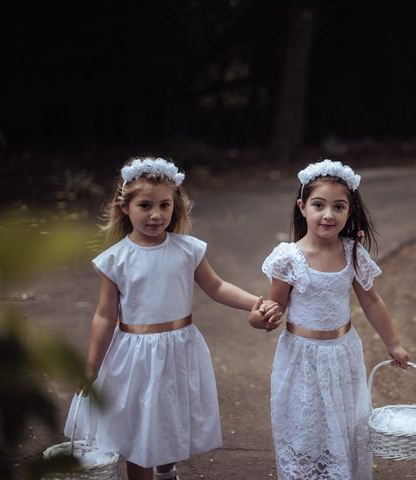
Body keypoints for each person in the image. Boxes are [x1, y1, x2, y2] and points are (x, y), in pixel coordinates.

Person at [66, 158, 280, 480]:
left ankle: (167, 470)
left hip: (178, 350)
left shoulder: (187, 250)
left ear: (175, 206)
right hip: (135, 357)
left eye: (164, 205)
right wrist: (91, 367)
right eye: (145, 205)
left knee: (168, 416)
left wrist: (258, 302)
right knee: (139, 427)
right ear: (124, 206)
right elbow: (104, 315)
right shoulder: (116, 260)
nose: (156, 214)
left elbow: (218, 287)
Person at [249, 159, 410, 480]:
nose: (328, 214)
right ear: (302, 207)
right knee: (306, 426)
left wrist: (394, 343)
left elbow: (372, 300)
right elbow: (274, 307)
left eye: (339, 206)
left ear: (349, 212)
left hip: (343, 354)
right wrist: (261, 318)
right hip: (302, 358)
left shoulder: (351, 253)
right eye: (319, 205)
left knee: (343, 423)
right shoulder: (289, 257)